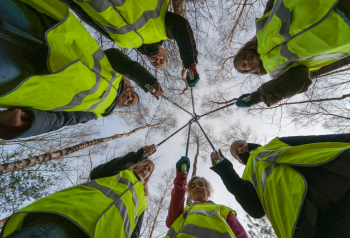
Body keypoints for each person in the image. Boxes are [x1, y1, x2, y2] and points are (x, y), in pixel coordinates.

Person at [0, 0, 164, 140]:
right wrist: (148, 81)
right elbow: (116, 57)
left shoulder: (98, 112)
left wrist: (32, 123)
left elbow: (64, 119)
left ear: (122, 105)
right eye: (132, 95)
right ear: (131, 88)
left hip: (31, 78)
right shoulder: (115, 73)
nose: (128, 97)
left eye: (128, 102)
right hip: (51, 32)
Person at [210, 133, 350, 238]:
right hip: (303, 222)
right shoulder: (246, 177)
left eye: (241, 145)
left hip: (341, 180)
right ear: (240, 161)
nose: (241, 149)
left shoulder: (275, 143)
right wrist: (225, 171)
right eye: (237, 152)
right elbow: (256, 211)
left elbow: (319, 141)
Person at [0, 144, 157, 238]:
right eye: (144, 165)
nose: (145, 169)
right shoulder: (122, 170)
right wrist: (138, 156)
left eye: (149, 169)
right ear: (137, 165)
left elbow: (134, 232)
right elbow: (96, 173)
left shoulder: (142, 199)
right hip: (71, 218)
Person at [233, 0, 350, 108]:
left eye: (243, 58)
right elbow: (299, 81)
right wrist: (257, 96)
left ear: (246, 51)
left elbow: (273, 3)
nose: (246, 61)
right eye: (244, 66)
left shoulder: (261, 29)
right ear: (250, 71)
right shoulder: (277, 72)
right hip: (346, 29)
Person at [62, 0, 200, 87]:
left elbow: (94, 22)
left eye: (155, 63)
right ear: (164, 52)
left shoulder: (123, 43)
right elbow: (180, 26)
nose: (157, 59)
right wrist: (191, 65)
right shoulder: (162, 29)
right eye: (162, 60)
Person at [165, 156, 248, 238]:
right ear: (190, 196)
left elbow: (239, 232)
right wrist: (181, 178)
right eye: (193, 187)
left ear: (208, 192)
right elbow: (171, 221)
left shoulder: (222, 209)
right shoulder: (185, 211)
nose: (197, 187)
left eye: (201, 185)